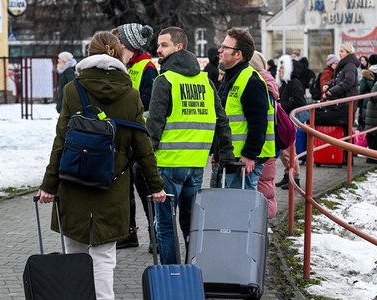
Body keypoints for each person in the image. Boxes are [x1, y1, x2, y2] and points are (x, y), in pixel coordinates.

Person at [36, 31, 166, 300]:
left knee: (75, 253)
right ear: (119, 55)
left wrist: (49, 186)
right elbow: (143, 146)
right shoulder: (130, 94)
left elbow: (61, 142)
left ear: (89, 54)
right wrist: (156, 186)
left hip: (74, 184)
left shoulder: (74, 89)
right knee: (105, 257)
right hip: (112, 185)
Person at [146, 26, 234, 264]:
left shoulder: (165, 81)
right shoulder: (205, 82)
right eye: (158, 45)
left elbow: (154, 126)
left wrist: (142, 159)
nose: (158, 49)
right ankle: (193, 271)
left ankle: (172, 277)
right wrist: (225, 153)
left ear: (179, 47)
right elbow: (221, 120)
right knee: (190, 224)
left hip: (168, 166)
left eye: (164, 45)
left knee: (165, 225)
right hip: (195, 167)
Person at [112, 23, 158, 251]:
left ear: (129, 46)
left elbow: (150, 103)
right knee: (124, 188)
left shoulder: (147, 68)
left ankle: (155, 234)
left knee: (144, 187)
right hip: (123, 138)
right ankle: (129, 233)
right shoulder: (122, 66)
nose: (116, 48)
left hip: (141, 137)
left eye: (119, 43)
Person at [216, 27, 275, 190]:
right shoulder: (232, 77)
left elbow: (259, 123)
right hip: (232, 159)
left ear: (238, 54)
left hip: (243, 163)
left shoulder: (250, 80)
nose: (220, 50)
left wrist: (249, 154)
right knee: (234, 211)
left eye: (225, 47)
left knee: (240, 212)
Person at [249, 50, 279, 218]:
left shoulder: (257, 84)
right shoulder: (270, 83)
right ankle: (262, 225)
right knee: (265, 185)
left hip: (259, 148)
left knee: (260, 187)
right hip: (269, 146)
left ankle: (260, 225)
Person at [274, 54, 305, 190]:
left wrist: (281, 105)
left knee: (288, 151)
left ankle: (295, 177)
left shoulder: (294, 82)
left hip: (289, 120)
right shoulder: (284, 83)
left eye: (282, 67)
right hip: (284, 120)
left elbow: (299, 101)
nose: (280, 69)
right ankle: (288, 175)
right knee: (283, 152)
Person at [321, 43, 360, 129]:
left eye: (342, 51)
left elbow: (348, 82)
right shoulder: (345, 65)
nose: (339, 53)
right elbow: (338, 79)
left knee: (346, 130)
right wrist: (328, 84)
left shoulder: (349, 65)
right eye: (339, 51)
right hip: (344, 102)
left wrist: (332, 91)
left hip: (347, 102)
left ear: (348, 52)